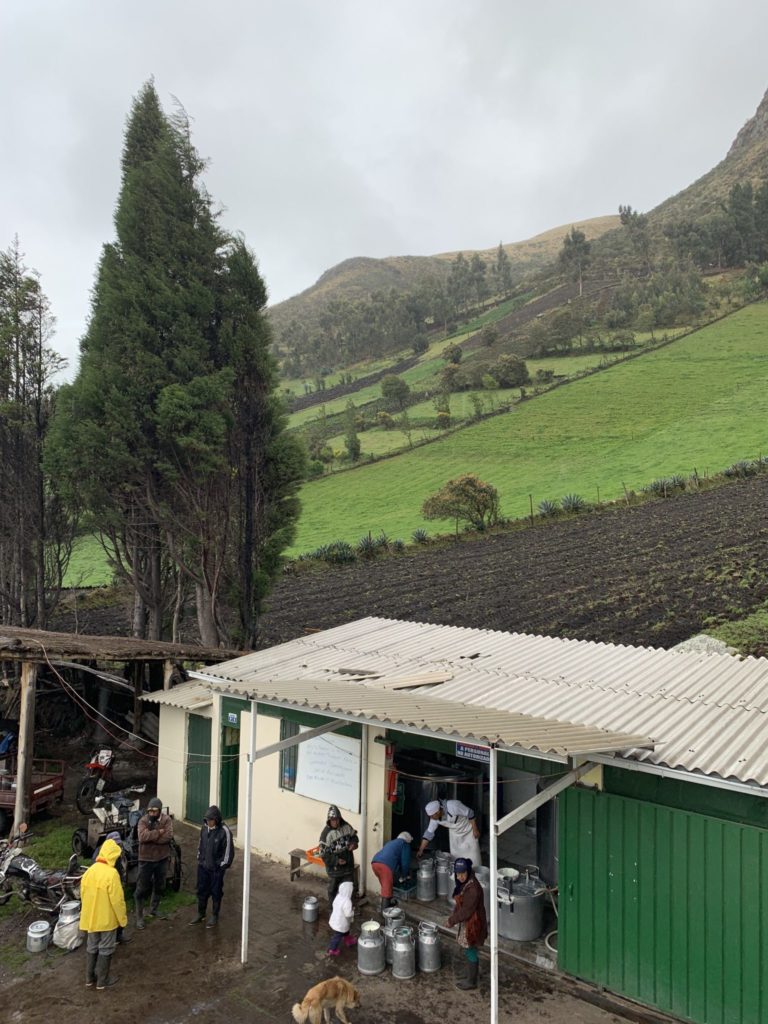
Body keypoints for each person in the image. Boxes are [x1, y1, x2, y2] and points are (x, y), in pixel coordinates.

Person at [79, 837, 128, 991]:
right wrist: (123, 920)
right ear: (113, 855)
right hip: (106, 920)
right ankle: (102, 980)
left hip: (90, 920)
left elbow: (82, 895)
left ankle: (89, 978)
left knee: (92, 946)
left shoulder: (89, 871)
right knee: (106, 948)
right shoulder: (112, 874)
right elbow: (118, 901)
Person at [446, 857, 488, 991]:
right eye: (458, 874)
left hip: (473, 923)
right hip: (469, 922)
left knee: (471, 949)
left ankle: (471, 981)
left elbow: (466, 911)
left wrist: (451, 920)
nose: (460, 876)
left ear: (468, 871)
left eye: (463, 873)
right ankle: (470, 975)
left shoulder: (473, 889)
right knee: (469, 948)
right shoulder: (466, 883)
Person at [190, 805, 234, 928]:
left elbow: (228, 853)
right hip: (203, 867)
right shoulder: (204, 829)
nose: (208, 822)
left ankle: (214, 915)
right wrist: (200, 859)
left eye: (210, 820)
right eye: (206, 820)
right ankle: (201, 913)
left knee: (216, 892)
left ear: (217, 819)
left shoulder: (224, 831)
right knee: (201, 890)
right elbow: (201, 844)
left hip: (216, 870)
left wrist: (220, 866)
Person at [135, 796, 173, 929]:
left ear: (159, 811)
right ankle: (139, 917)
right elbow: (142, 837)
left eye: (154, 811)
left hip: (162, 858)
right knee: (142, 888)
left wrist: (152, 837)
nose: (151, 813)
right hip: (146, 859)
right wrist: (158, 832)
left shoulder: (167, 820)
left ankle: (154, 909)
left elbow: (168, 836)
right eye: (149, 811)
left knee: (160, 885)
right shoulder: (143, 821)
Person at [416, 798, 482, 866]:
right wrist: (421, 850)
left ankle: (475, 873)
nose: (431, 818)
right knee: (457, 857)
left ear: (438, 811)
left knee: (473, 855)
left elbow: (470, 813)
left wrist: (475, 829)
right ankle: (460, 873)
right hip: (455, 834)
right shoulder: (434, 818)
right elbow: (429, 834)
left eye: (432, 816)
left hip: (468, 831)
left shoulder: (453, 806)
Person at [92, 830, 129, 944]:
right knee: (107, 912)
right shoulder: (99, 852)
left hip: (117, 882)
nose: (117, 845)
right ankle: (105, 939)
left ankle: (119, 934)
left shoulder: (119, 849)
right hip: (104, 886)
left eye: (118, 843)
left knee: (119, 907)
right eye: (115, 843)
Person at [318, 804, 358, 903]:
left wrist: (353, 844)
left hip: (348, 867)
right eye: (333, 820)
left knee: (349, 890)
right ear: (329, 820)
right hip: (334, 870)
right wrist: (336, 861)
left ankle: (349, 910)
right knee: (333, 891)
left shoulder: (346, 826)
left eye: (337, 819)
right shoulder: (325, 834)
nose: (336, 822)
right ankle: (333, 911)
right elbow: (323, 855)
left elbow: (354, 837)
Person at [371, 832, 412, 911]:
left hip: (375, 863)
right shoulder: (404, 844)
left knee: (386, 886)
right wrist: (404, 875)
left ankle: (388, 904)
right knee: (386, 890)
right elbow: (405, 862)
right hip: (385, 866)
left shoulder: (392, 842)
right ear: (408, 840)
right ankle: (384, 914)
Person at [327, 879, 357, 957]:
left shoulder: (338, 896)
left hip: (335, 919)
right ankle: (332, 949)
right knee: (337, 936)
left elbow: (333, 904)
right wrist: (352, 912)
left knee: (346, 930)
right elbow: (348, 914)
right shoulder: (347, 901)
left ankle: (348, 939)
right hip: (340, 923)